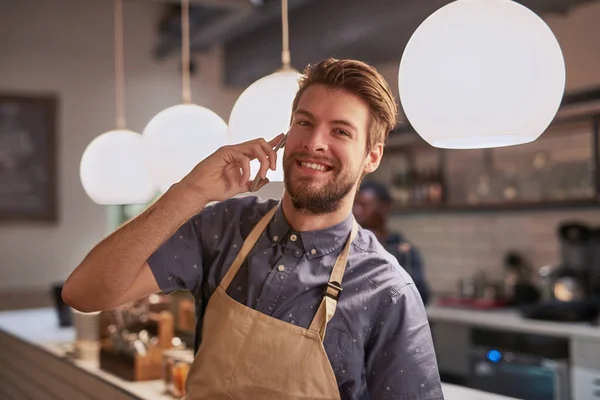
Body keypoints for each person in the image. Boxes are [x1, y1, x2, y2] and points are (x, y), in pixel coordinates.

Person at [62, 58, 443, 400]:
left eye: (341, 132)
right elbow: (84, 292)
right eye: (304, 123)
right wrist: (191, 191)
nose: (314, 143)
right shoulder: (226, 227)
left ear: (371, 157)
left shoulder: (388, 292)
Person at [353, 180, 430, 305]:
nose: (356, 211)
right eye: (354, 205)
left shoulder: (404, 251)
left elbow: (420, 296)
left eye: (363, 205)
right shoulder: (348, 248)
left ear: (384, 207)